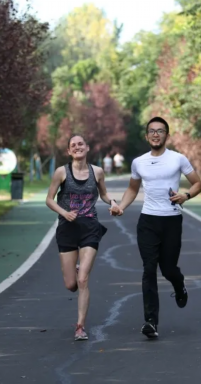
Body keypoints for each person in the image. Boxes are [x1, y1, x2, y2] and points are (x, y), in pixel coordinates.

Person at [110, 117, 201, 339]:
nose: (155, 134)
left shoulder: (178, 159)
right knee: (149, 269)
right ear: (146, 136)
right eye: (151, 131)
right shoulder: (138, 162)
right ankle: (151, 321)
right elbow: (133, 189)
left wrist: (186, 195)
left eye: (160, 131)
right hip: (148, 221)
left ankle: (179, 284)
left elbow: (198, 183)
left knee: (168, 269)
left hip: (171, 220)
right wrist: (121, 206)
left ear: (166, 136)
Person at [46, 134, 119, 341]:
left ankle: (80, 327)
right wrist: (64, 212)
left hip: (89, 227)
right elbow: (49, 199)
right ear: (69, 151)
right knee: (71, 284)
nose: (77, 147)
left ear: (87, 148)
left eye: (80, 144)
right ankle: (76, 272)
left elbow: (103, 194)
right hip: (67, 228)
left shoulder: (97, 172)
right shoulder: (61, 172)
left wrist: (112, 202)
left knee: (83, 279)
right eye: (73, 145)